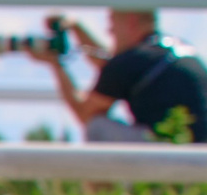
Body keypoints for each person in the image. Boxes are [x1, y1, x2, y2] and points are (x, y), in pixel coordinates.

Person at [33, 7, 207, 143]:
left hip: (169, 155)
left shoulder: (130, 60)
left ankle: (110, 184)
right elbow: (111, 68)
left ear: (131, 21)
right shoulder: (173, 49)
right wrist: (75, 27)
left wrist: (56, 65)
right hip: (199, 152)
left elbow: (85, 113)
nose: (109, 30)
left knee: (97, 127)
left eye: (112, 22)